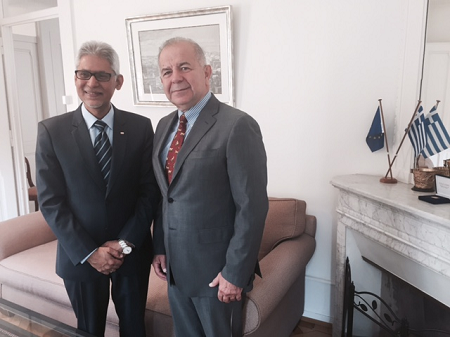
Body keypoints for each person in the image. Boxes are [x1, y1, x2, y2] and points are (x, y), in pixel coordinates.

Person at [36, 40, 160, 337]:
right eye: (84, 74)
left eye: (102, 75)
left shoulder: (141, 127)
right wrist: (90, 252)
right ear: (75, 77)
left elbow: (149, 193)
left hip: (130, 253)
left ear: (118, 82)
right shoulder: (52, 131)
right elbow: (51, 202)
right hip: (79, 256)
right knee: (88, 331)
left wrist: (125, 243)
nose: (92, 83)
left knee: (134, 329)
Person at [152, 37, 268, 337]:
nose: (175, 77)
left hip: (217, 275)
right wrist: (161, 247)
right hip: (176, 271)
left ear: (207, 72)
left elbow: (252, 208)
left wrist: (235, 272)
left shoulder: (237, 125)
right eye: (166, 71)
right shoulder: (164, 125)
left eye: (184, 67)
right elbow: (167, 195)